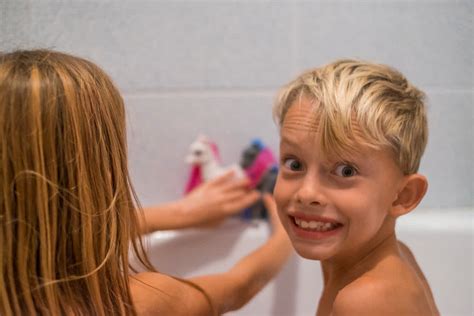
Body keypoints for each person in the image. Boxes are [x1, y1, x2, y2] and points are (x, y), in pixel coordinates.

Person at [0, 49, 292, 315]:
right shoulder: (135, 302)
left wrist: (180, 214)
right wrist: (284, 235)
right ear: (96, 170)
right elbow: (238, 287)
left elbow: (45, 228)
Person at [272, 60, 440, 315]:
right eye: (295, 164)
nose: (306, 194)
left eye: (345, 171)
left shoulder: (366, 301)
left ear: (403, 196)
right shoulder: (391, 256)